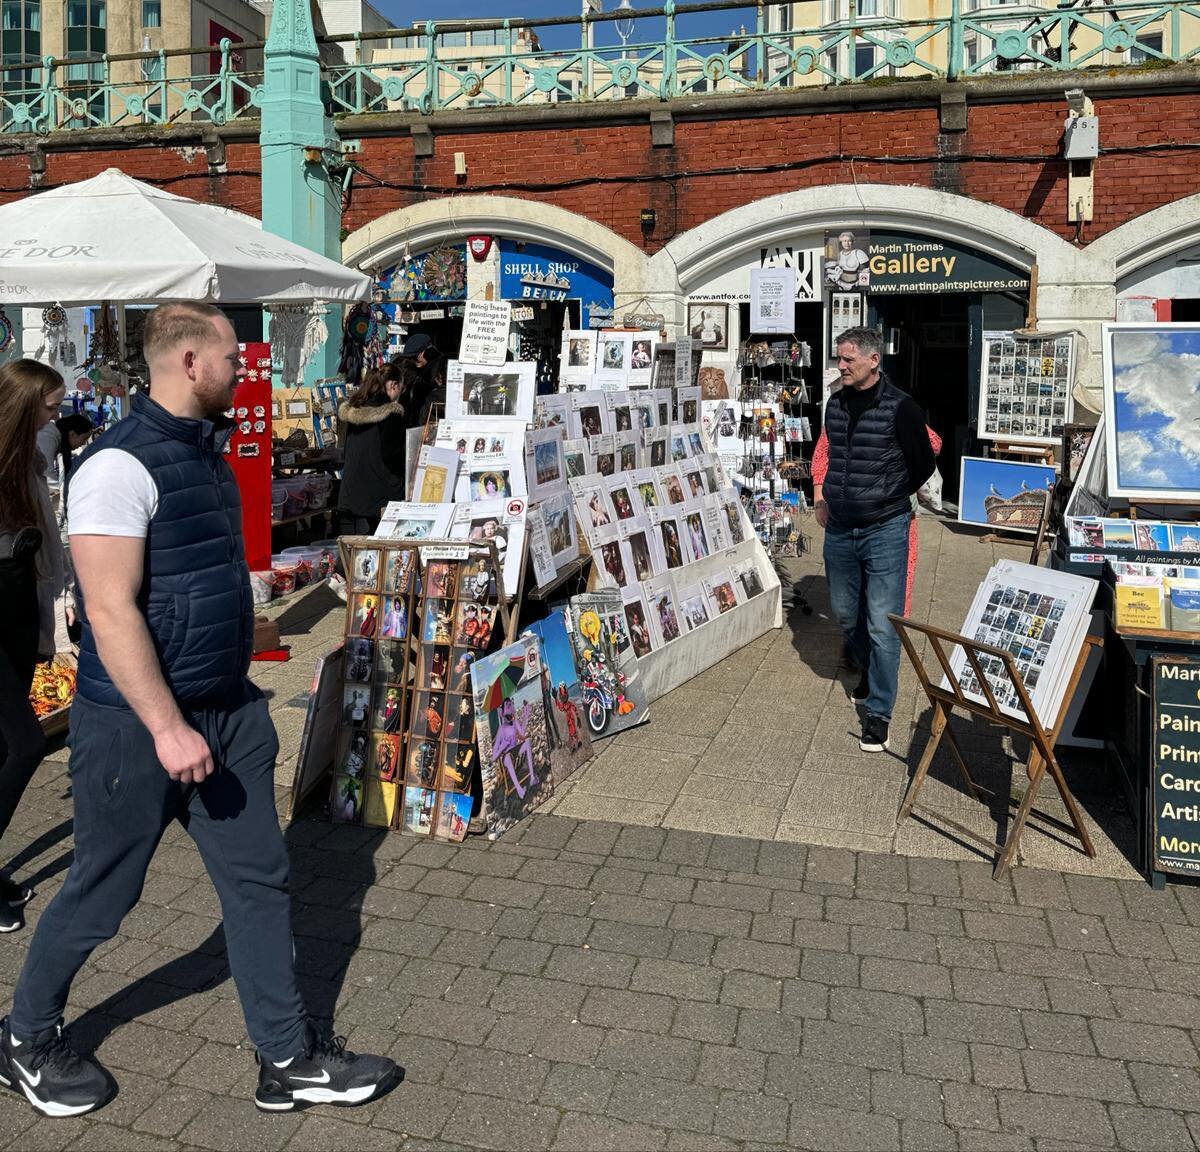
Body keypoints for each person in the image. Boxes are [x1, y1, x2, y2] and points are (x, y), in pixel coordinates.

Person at [0, 303, 399, 1119]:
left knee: (262, 881)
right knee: (102, 892)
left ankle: (287, 1059)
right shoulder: (117, 465)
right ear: (188, 361)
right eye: (232, 356)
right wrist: (166, 725)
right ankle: (25, 1037)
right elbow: (110, 612)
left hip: (226, 713)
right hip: (137, 727)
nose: (244, 369)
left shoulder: (207, 455)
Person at [815, 327, 935, 754]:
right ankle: (868, 671)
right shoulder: (835, 403)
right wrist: (826, 497)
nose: (841, 366)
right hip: (841, 528)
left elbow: (922, 465)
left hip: (885, 528)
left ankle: (879, 713)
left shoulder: (901, 408)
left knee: (882, 624)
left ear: (872, 360)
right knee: (847, 615)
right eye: (839, 359)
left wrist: (886, 495)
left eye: (848, 359)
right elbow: (832, 457)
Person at [0, 361, 68, 934]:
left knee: (4, 746)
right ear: (25, 408)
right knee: (23, 745)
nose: (58, 415)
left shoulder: (29, 458)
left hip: (18, 612)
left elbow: (40, 561)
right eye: (49, 406)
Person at [811, 421, 942, 618]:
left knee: (896, 580)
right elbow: (821, 457)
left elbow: (933, 443)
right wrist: (820, 501)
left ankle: (890, 629)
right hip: (850, 516)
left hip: (895, 515)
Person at [336, 362, 410, 536]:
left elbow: (346, 450)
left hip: (351, 489)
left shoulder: (355, 408)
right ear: (393, 385)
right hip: (379, 491)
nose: (400, 393)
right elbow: (392, 454)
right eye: (401, 387)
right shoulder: (391, 413)